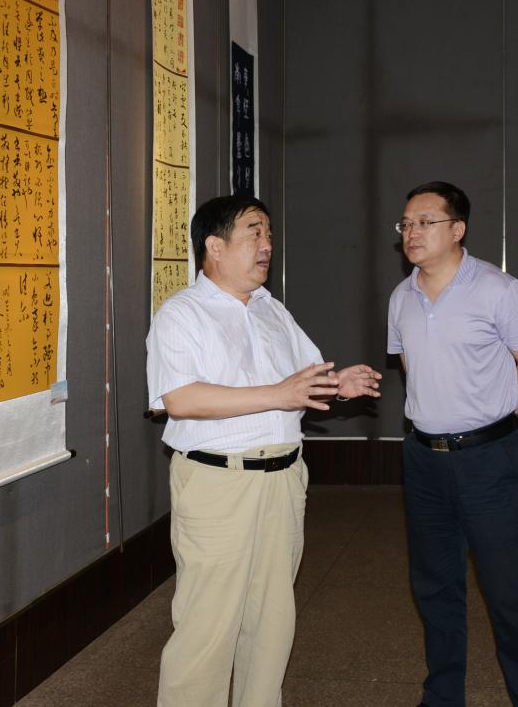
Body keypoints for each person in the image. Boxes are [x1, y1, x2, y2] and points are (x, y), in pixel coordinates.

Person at [146, 194, 382, 707]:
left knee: (272, 618)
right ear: (214, 246)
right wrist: (278, 394)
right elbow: (181, 399)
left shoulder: (272, 309)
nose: (267, 245)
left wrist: (337, 386)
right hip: (218, 483)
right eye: (254, 232)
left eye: (269, 234)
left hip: (283, 479)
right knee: (207, 626)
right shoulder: (181, 314)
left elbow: (300, 382)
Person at [387, 181, 518, 707]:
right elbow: (410, 367)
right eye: (406, 224)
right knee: (435, 588)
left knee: (511, 594)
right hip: (424, 459)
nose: (412, 232)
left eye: (425, 222)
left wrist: (500, 424)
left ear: (457, 229)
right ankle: (442, 697)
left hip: (489, 460)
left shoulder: (497, 289)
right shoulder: (401, 297)